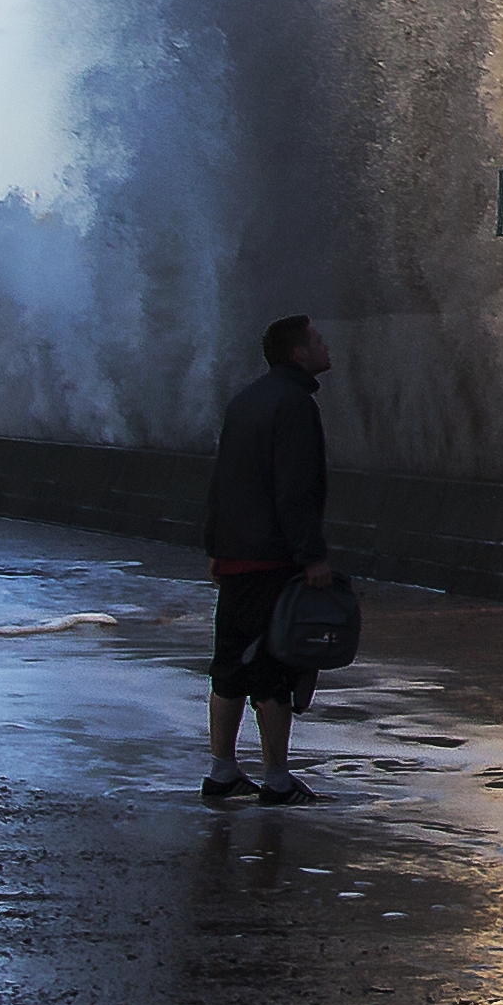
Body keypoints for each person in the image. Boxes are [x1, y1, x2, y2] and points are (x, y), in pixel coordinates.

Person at [201, 315, 339, 804]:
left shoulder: (245, 401)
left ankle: (222, 771)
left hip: (237, 555)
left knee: (230, 665)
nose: (327, 346)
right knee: (276, 670)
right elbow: (294, 489)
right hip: (271, 559)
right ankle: (277, 780)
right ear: (299, 353)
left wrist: (216, 548)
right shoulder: (294, 405)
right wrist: (311, 557)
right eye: (318, 340)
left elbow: (221, 482)